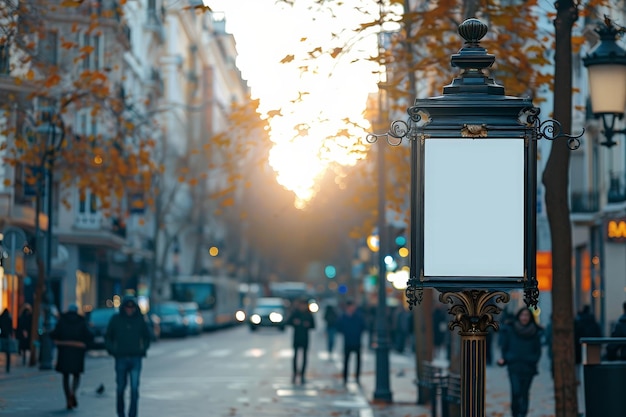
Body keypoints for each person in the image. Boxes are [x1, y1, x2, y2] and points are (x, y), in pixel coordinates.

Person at [105, 295, 152, 417]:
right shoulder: (116, 319)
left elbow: (147, 336)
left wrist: (143, 349)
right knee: (121, 387)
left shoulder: (139, 319)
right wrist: (112, 350)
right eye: (127, 307)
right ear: (124, 307)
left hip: (135, 357)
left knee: (134, 389)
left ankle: (132, 414)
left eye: (132, 307)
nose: (129, 310)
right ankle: (121, 413)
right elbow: (108, 336)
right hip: (121, 357)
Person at [497, 307, 543, 417]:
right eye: (522, 315)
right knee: (516, 391)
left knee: (524, 392)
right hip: (514, 365)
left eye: (527, 315)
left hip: (528, 366)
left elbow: (538, 349)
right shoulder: (510, 329)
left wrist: (533, 360)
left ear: (530, 317)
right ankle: (515, 413)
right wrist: (505, 357)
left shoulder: (535, 331)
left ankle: (523, 414)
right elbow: (505, 346)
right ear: (518, 316)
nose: (524, 318)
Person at [50, 304, 94, 410]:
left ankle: (68, 396)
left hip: (64, 351)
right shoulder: (81, 321)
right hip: (77, 352)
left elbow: (55, 333)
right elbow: (89, 335)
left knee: (65, 376)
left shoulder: (62, 321)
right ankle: (73, 392)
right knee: (76, 375)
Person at [337, 300, 367, 385]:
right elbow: (339, 327)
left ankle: (357, 377)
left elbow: (363, 327)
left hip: (357, 341)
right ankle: (345, 377)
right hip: (347, 341)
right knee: (346, 361)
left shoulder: (358, 317)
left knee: (358, 361)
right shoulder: (343, 317)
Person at [286, 298, 315, 385]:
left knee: (304, 357)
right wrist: (295, 322)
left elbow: (313, 325)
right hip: (297, 337)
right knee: (295, 356)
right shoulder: (296, 313)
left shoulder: (308, 314)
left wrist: (308, 325)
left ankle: (302, 374)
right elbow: (288, 322)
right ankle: (295, 373)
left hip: (305, 338)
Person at [0, 308, 14, 373]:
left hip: (2, 336)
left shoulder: (1, 318)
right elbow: (10, 328)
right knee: (7, 353)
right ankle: (7, 367)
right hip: (7, 337)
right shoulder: (9, 318)